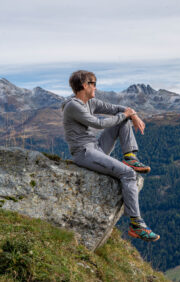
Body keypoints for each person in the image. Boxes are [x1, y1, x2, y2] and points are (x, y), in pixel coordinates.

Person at [61, 70, 159, 242]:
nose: (96, 88)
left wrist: (132, 115)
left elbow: (119, 110)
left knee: (123, 119)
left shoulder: (91, 102)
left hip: (96, 147)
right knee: (128, 174)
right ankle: (136, 225)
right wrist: (126, 114)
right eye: (94, 84)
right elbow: (98, 124)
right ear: (85, 85)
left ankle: (130, 156)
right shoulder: (73, 106)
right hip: (84, 152)